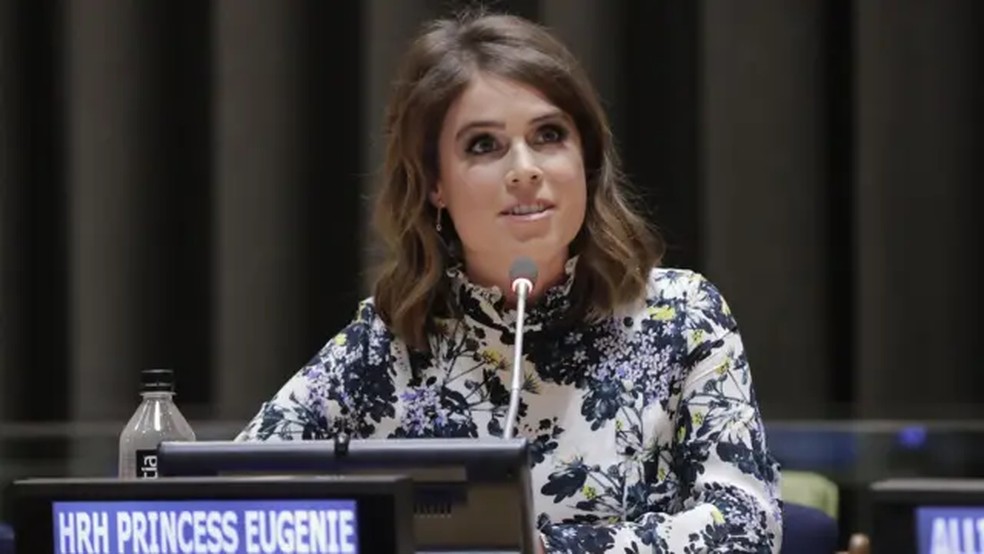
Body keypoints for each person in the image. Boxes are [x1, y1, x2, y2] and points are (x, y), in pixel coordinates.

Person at [236, 9, 783, 553]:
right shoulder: (389, 340)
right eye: (484, 145)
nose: (524, 169)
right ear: (434, 185)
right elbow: (235, 497)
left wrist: (547, 550)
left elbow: (747, 524)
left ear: (586, 160)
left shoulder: (680, 316)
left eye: (549, 136)